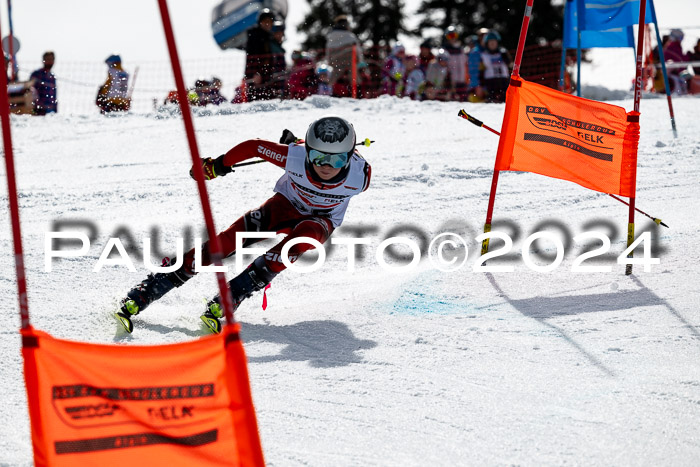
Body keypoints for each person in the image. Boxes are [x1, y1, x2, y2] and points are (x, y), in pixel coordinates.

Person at [115, 115, 372, 334]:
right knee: (226, 242)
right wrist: (217, 165)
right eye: (317, 157)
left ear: (350, 156)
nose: (325, 166)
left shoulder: (361, 176)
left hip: (320, 219)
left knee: (299, 243)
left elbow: (260, 147)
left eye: (337, 160)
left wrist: (299, 145)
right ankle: (151, 288)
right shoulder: (293, 157)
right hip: (283, 206)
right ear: (306, 152)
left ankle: (234, 293)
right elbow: (255, 146)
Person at [244, 9, 276, 100]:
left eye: (270, 22)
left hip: (267, 74)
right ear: (260, 22)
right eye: (265, 21)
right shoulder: (255, 36)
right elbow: (251, 56)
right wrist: (255, 73)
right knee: (256, 99)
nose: (268, 24)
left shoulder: (268, 36)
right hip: (257, 75)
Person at [326, 15, 364, 90]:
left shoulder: (331, 36)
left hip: (335, 60)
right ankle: (356, 91)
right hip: (349, 59)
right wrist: (360, 60)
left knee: (336, 73)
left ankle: (328, 89)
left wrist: (329, 60)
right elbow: (357, 49)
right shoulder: (350, 36)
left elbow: (328, 50)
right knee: (353, 73)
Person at [479, 31, 511, 103]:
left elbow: (509, 64)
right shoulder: (483, 55)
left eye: (494, 41)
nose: (492, 44)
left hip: (503, 79)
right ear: (487, 44)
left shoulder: (503, 52)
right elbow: (481, 70)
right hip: (490, 80)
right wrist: (481, 84)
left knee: (505, 98)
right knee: (491, 98)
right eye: (490, 42)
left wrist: (506, 58)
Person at [442, 26, 469, 101]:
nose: (452, 38)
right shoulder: (444, 51)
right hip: (450, 83)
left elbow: (465, 65)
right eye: (450, 36)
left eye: (454, 35)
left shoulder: (461, 50)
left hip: (462, 81)